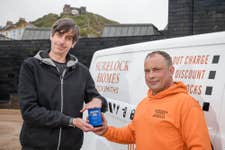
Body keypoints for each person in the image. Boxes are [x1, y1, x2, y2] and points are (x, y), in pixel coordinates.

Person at [18, 18, 107, 150]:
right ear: (51, 35)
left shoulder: (82, 71)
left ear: (73, 43)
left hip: (71, 146)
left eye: (68, 38)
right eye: (59, 35)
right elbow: (29, 111)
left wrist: (99, 102)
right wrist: (70, 121)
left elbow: (96, 98)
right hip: (36, 145)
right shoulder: (31, 66)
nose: (61, 41)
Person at [93, 51, 212, 150]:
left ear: (171, 71)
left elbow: (200, 147)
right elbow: (131, 134)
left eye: (156, 70)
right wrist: (106, 130)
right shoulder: (145, 103)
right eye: (147, 71)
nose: (151, 75)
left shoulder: (186, 104)